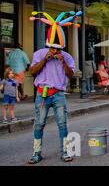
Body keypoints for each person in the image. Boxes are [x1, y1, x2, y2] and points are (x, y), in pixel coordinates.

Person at [28, 11, 77, 164]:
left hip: (58, 94)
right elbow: (32, 71)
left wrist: (62, 62)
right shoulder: (39, 53)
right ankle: (37, 153)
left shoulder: (67, 56)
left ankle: (66, 152)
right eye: (53, 49)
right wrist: (45, 59)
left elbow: (71, 75)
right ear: (48, 45)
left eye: (58, 49)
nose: (56, 52)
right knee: (39, 123)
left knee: (62, 123)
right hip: (42, 93)